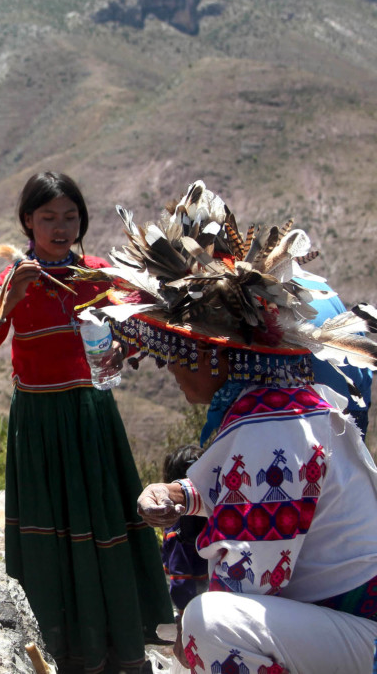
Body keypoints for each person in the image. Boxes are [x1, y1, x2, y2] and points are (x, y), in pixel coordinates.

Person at [91, 181, 377, 674]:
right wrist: (179, 495)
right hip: (338, 623)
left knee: (211, 622)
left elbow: (250, 581)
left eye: (173, 354)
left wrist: (191, 640)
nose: (168, 369)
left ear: (208, 353)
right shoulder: (268, 409)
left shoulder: (275, 429)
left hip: (358, 632)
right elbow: (219, 482)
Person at [0, 171, 170, 673]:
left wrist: (123, 347)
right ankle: (57, 643)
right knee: (50, 530)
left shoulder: (96, 273)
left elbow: (144, 324)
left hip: (92, 416)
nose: (60, 226)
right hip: (40, 422)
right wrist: (10, 297)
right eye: (47, 217)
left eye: (70, 216)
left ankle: (119, 640)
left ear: (82, 220)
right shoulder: (14, 278)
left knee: (102, 524)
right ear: (27, 222)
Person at [292, 265, 372, 435]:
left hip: (304, 422)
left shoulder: (249, 295)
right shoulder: (320, 287)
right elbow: (364, 374)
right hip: (351, 410)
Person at [159, 444, 208, 663]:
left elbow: (181, 580)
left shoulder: (177, 528)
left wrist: (182, 630)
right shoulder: (216, 515)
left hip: (197, 618)